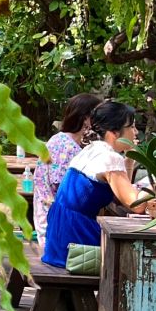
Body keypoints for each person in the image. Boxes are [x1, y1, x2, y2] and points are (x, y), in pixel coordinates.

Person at [42, 99, 153, 267]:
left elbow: (121, 194)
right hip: (76, 240)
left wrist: (129, 160)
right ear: (114, 133)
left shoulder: (92, 149)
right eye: (131, 126)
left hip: (59, 236)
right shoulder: (109, 158)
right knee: (137, 261)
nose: (136, 132)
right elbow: (136, 205)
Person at [32, 93, 102, 247]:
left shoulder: (64, 141)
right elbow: (65, 191)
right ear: (85, 118)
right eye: (98, 116)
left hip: (53, 221)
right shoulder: (64, 145)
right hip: (54, 228)